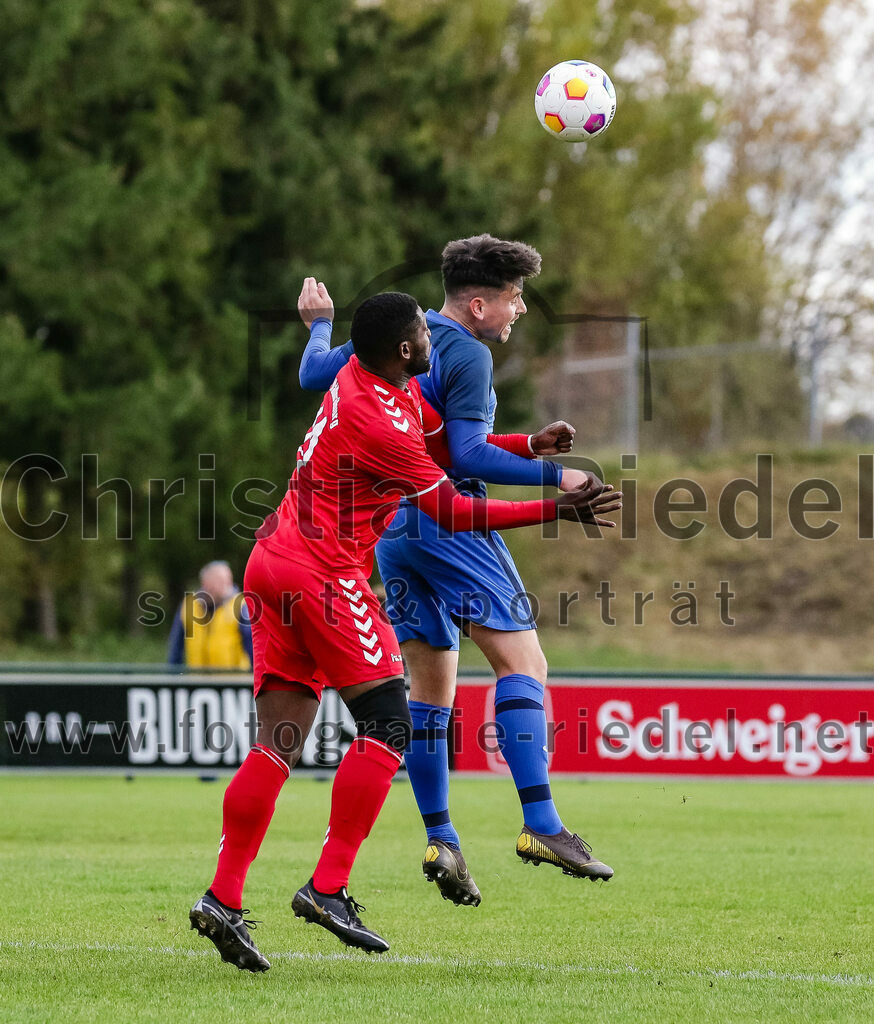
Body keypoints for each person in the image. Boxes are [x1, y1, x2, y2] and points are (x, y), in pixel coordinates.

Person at [188, 286, 621, 971]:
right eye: (423, 330)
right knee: (391, 722)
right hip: (321, 572)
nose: (431, 337)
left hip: (270, 559)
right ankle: (327, 888)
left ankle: (222, 898)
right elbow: (452, 510)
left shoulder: (372, 379)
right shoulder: (381, 422)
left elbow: (445, 443)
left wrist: (527, 446)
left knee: (278, 742)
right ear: (403, 348)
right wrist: (553, 508)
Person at [298, 235, 616, 908]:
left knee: (431, 688)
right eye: (514, 297)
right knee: (524, 665)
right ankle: (542, 824)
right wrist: (558, 478)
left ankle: (441, 837)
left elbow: (319, 376)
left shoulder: (400, 337)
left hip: (393, 526)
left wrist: (319, 323)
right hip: (448, 520)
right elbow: (464, 456)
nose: (519, 309)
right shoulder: (468, 352)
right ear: (479, 304)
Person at [167, 561, 253, 669]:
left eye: (227, 580)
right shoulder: (189, 605)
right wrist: (173, 675)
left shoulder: (240, 605)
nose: (226, 585)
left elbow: (251, 644)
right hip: (196, 677)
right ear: (205, 583)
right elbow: (176, 645)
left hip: (232, 678)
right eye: (219, 580)